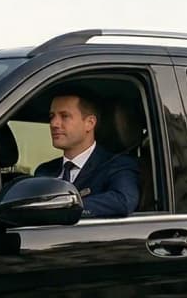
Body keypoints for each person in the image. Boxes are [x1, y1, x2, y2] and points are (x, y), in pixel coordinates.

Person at [30, 90, 141, 219]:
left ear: (90, 123)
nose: (54, 124)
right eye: (52, 116)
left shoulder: (117, 165)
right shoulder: (44, 171)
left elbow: (123, 201)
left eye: (64, 116)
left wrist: (65, 207)